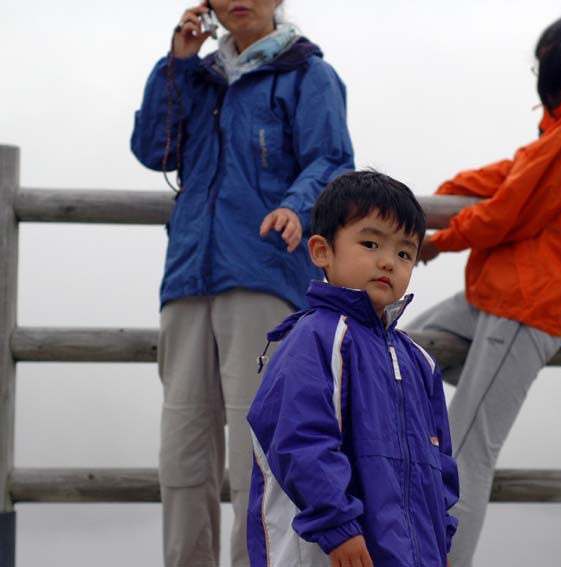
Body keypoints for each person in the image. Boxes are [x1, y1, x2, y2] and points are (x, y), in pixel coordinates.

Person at [130, 1, 354, 565]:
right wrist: (178, 62)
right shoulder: (199, 76)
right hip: (186, 279)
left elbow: (331, 159)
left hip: (264, 274)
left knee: (255, 453)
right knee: (181, 455)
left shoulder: (310, 74)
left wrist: (297, 208)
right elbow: (153, 150)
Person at [408, 15, 561, 567]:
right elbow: (513, 174)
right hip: (500, 296)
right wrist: (436, 199)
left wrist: (438, 242)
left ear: (560, 60)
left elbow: (512, 208)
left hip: (529, 306)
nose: (540, 69)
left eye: (543, 58)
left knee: (467, 449)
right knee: (402, 354)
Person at [246, 171, 459, 567]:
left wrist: (438, 541)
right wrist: (337, 527)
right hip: (328, 550)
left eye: (404, 253)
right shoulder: (314, 338)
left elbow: (440, 465)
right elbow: (299, 442)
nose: (387, 262)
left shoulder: (418, 361)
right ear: (322, 251)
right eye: (370, 243)